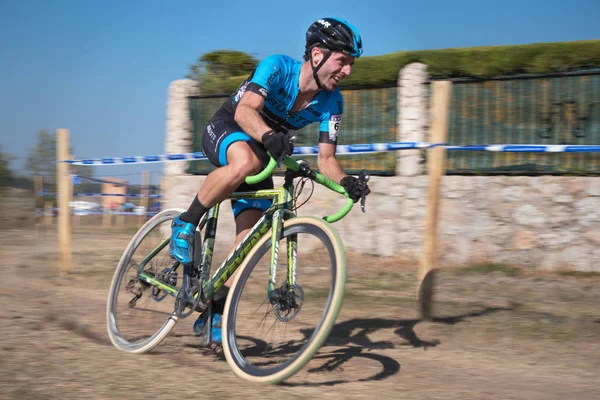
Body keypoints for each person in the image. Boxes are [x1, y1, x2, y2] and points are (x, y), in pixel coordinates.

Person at [170, 17, 370, 343]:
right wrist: (266, 133)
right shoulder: (277, 67)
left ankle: (212, 311)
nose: (347, 70)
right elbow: (245, 110)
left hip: (263, 153)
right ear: (317, 54)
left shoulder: (334, 102)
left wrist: (347, 181)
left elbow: (327, 159)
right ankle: (186, 222)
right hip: (228, 129)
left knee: (248, 242)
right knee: (245, 160)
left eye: (351, 64)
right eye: (343, 61)